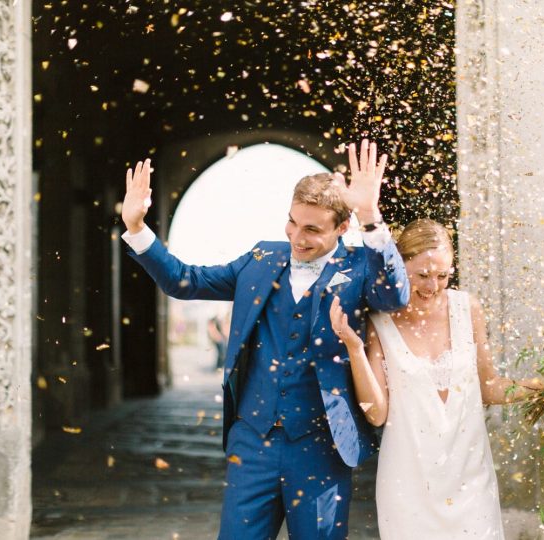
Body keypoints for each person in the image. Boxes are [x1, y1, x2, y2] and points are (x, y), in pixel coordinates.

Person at [120, 140, 409, 539]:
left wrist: (371, 217)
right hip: (253, 442)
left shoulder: (360, 266)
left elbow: (395, 295)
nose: (297, 236)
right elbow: (184, 281)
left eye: (312, 229)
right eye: (292, 222)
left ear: (342, 228)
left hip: (321, 445)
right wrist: (137, 228)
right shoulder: (260, 259)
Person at [330, 218, 543, 539]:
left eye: (443, 276)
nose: (432, 285)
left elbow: (490, 388)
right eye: (423, 275)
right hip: (409, 484)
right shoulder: (380, 321)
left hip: (471, 479)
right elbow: (377, 412)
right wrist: (355, 349)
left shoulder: (466, 309)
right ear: (400, 267)